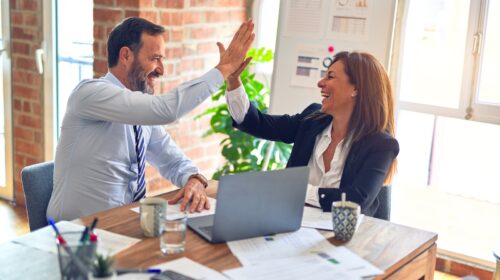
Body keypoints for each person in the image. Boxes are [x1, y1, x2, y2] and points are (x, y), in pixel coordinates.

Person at [47, 17, 254, 221]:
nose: (161, 70)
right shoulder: (90, 94)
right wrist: (224, 69)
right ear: (126, 56)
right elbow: (166, 110)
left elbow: (172, 160)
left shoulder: (140, 113)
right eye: (155, 58)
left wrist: (194, 179)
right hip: (75, 234)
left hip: (123, 225)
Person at [225, 51, 399, 218]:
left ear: (356, 89)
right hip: (291, 225)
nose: (320, 83)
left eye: (330, 76)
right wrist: (233, 81)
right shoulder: (312, 119)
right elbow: (257, 123)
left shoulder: (381, 145)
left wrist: (296, 189)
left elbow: (356, 200)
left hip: (346, 239)